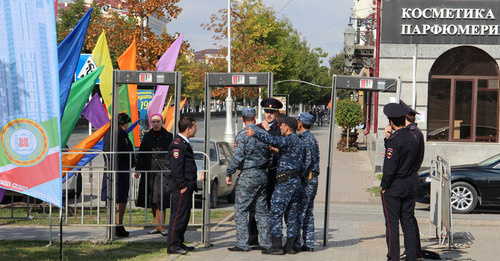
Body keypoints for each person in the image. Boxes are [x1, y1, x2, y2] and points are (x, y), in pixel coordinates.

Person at [245, 116, 306, 255]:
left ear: (287, 127)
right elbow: (298, 160)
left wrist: (256, 134)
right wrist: (280, 152)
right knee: (291, 214)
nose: (280, 127)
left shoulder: (289, 139)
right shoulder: (298, 141)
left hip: (285, 182)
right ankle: (290, 246)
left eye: (281, 125)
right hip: (295, 180)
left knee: (275, 213)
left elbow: (273, 140)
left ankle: (277, 245)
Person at [226, 107, 271, 252]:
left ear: (242, 119)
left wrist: (229, 172)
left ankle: (242, 243)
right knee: (261, 211)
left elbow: (238, 157)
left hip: (248, 175)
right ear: (255, 117)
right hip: (262, 175)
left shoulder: (243, 135)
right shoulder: (263, 134)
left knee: (240, 210)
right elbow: (270, 156)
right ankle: (265, 242)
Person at [380, 103, 419, 261]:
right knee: (408, 222)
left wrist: (384, 186)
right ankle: (411, 256)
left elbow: (390, 167)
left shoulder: (395, 140)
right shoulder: (412, 136)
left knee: (392, 225)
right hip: (410, 184)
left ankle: (393, 256)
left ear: (391, 122)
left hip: (395, 187)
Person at [247, 97, 283, 246]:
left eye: (272, 112)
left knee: (271, 206)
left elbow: (281, 146)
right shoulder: (256, 128)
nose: (268, 115)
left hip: (274, 173)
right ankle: (253, 237)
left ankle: (270, 239)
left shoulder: (280, 129)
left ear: (277, 114)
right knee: (255, 206)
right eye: (267, 111)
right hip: (259, 172)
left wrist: (268, 131)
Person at [135, 113, 173, 236]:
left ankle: (162, 226)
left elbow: (172, 154)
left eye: (158, 121)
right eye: (153, 122)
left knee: (162, 198)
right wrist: (138, 169)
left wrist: (170, 168)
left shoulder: (168, 136)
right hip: (150, 170)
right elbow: (142, 153)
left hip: (163, 170)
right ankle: (158, 226)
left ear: (162, 122)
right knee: (152, 199)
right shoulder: (147, 136)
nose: (156, 124)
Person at [166, 117, 198, 255]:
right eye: (194, 126)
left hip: (187, 185)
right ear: (188, 129)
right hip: (181, 187)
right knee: (178, 216)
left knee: (184, 217)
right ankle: (173, 245)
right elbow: (176, 168)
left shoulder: (184, 143)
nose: (196, 129)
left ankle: (179, 242)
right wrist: (182, 185)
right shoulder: (178, 144)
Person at [101, 112, 135, 237]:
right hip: (119, 170)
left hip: (112, 169)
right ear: (123, 123)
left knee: (112, 197)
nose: (127, 126)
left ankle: (114, 224)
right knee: (119, 198)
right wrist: (132, 162)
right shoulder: (120, 134)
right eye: (127, 123)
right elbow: (125, 152)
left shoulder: (109, 132)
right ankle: (117, 224)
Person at [400, 100, 425, 260]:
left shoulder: (411, 133)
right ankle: (415, 251)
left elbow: (408, 158)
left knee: (407, 219)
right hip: (412, 177)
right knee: (409, 218)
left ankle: (412, 253)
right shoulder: (416, 132)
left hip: (406, 180)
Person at [296, 112, 320, 252]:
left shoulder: (306, 139)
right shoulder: (311, 138)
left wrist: (298, 174)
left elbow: (307, 161)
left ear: (300, 122)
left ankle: (298, 242)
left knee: (302, 211)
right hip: (312, 178)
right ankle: (309, 242)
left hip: (307, 180)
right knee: (308, 211)